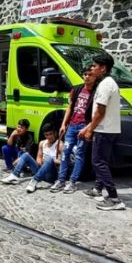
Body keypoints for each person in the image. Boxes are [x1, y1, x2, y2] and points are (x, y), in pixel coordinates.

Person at [81, 54, 125, 210]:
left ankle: (114, 199)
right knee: (102, 161)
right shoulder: (108, 82)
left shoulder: (106, 84)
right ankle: (97, 189)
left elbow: (100, 112)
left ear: (103, 68)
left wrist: (89, 129)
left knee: (98, 162)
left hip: (104, 129)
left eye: (94, 66)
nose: (92, 68)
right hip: (109, 129)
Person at [50, 66, 97, 194]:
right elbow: (70, 108)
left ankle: (72, 182)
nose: (87, 77)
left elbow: (97, 113)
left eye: (90, 75)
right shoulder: (77, 89)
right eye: (85, 74)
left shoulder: (96, 91)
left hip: (84, 126)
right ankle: (61, 180)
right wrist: (63, 124)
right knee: (65, 152)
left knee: (79, 154)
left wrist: (89, 129)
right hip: (72, 125)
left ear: (95, 76)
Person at [2, 123, 60, 192]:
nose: (49, 137)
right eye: (46, 135)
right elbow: (38, 157)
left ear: (55, 133)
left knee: (49, 159)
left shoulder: (60, 144)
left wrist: (52, 161)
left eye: (50, 134)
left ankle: (34, 181)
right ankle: (14, 175)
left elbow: (63, 163)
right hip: (40, 169)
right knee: (25, 155)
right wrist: (40, 161)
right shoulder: (42, 143)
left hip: (50, 174)